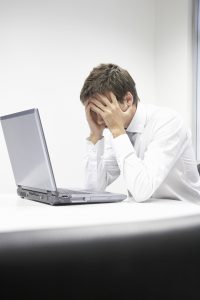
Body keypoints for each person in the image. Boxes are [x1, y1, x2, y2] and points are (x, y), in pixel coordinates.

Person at [80, 63, 200, 203]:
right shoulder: (117, 131)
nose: (100, 119)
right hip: (147, 215)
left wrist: (118, 131)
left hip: (187, 215)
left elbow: (141, 190)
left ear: (128, 100)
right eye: (95, 111)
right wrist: (96, 135)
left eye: (104, 108)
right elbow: (93, 190)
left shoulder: (168, 122)